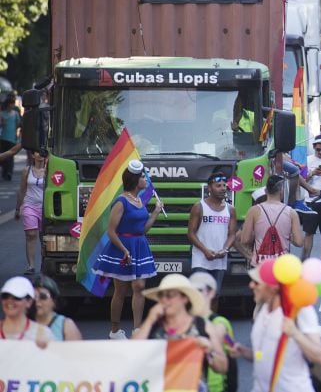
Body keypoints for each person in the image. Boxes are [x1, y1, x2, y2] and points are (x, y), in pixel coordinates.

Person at [93, 159, 163, 339]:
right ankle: (115, 330)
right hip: (122, 247)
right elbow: (111, 230)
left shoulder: (139, 200)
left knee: (139, 286)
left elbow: (143, 229)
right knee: (121, 290)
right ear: (134, 180)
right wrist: (123, 250)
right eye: (143, 177)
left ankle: (137, 329)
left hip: (139, 246)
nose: (146, 180)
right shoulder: (121, 201)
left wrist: (155, 212)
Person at [237, 263, 321, 392]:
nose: (251, 285)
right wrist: (246, 352)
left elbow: (319, 356)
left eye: (256, 283)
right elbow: (267, 355)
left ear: (273, 288)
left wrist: (295, 333)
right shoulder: (262, 310)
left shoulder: (299, 311)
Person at [134, 274, 228, 388]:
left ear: (184, 298)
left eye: (169, 295)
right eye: (161, 296)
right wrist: (149, 320)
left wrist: (209, 350)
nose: (164, 300)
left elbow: (223, 367)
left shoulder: (202, 326)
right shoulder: (154, 325)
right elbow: (132, 353)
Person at [188, 172, 238, 291]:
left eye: (224, 185)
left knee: (215, 296)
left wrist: (224, 249)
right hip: (201, 259)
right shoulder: (199, 207)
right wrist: (205, 251)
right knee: (200, 296)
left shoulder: (230, 209)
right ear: (209, 188)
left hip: (219, 260)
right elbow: (190, 233)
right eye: (218, 186)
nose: (222, 189)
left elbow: (232, 234)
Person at [190, 271, 238, 392]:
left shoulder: (220, 322)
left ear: (211, 292)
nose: (195, 295)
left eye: (199, 290)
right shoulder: (185, 321)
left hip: (215, 387)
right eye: (191, 291)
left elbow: (232, 354)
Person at [241, 175, 303, 267]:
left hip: (260, 265)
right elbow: (299, 242)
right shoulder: (291, 212)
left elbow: (245, 240)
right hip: (282, 265)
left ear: (266, 191)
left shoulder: (254, 210)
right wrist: (287, 236)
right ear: (281, 191)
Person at [16, 148, 47, 275]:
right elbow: (22, 190)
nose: (40, 155)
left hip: (45, 208)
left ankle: (44, 264)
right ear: (33, 155)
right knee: (31, 235)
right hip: (29, 206)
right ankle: (31, 265)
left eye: (43, 153)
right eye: (38, 152)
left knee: (43, 237)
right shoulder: (26, 171)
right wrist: (18, 208)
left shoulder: (49, 171)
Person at [0, 276, 52, 346]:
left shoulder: (43, 334)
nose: (10, 301)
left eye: (17, 297)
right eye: (5, 296)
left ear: (29, 302)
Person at [33, 275, 82, 341]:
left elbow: (76, 350)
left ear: (54, 301)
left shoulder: (66, 326)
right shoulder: (22, 323)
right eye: (34, 296)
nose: (37, 301)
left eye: (43, 296)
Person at [0, 95, 21, 180]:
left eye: (13, 103)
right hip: (3, 138)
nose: (12, 105)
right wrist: (2, 123)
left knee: (11, 156)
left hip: (12, 137)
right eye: (11, 103)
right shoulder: (1, 114)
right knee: (4, 156)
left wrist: (17, 133)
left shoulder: (15, 114)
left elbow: (19, 124)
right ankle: (5, 172)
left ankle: (9, 172)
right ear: (8, 104)